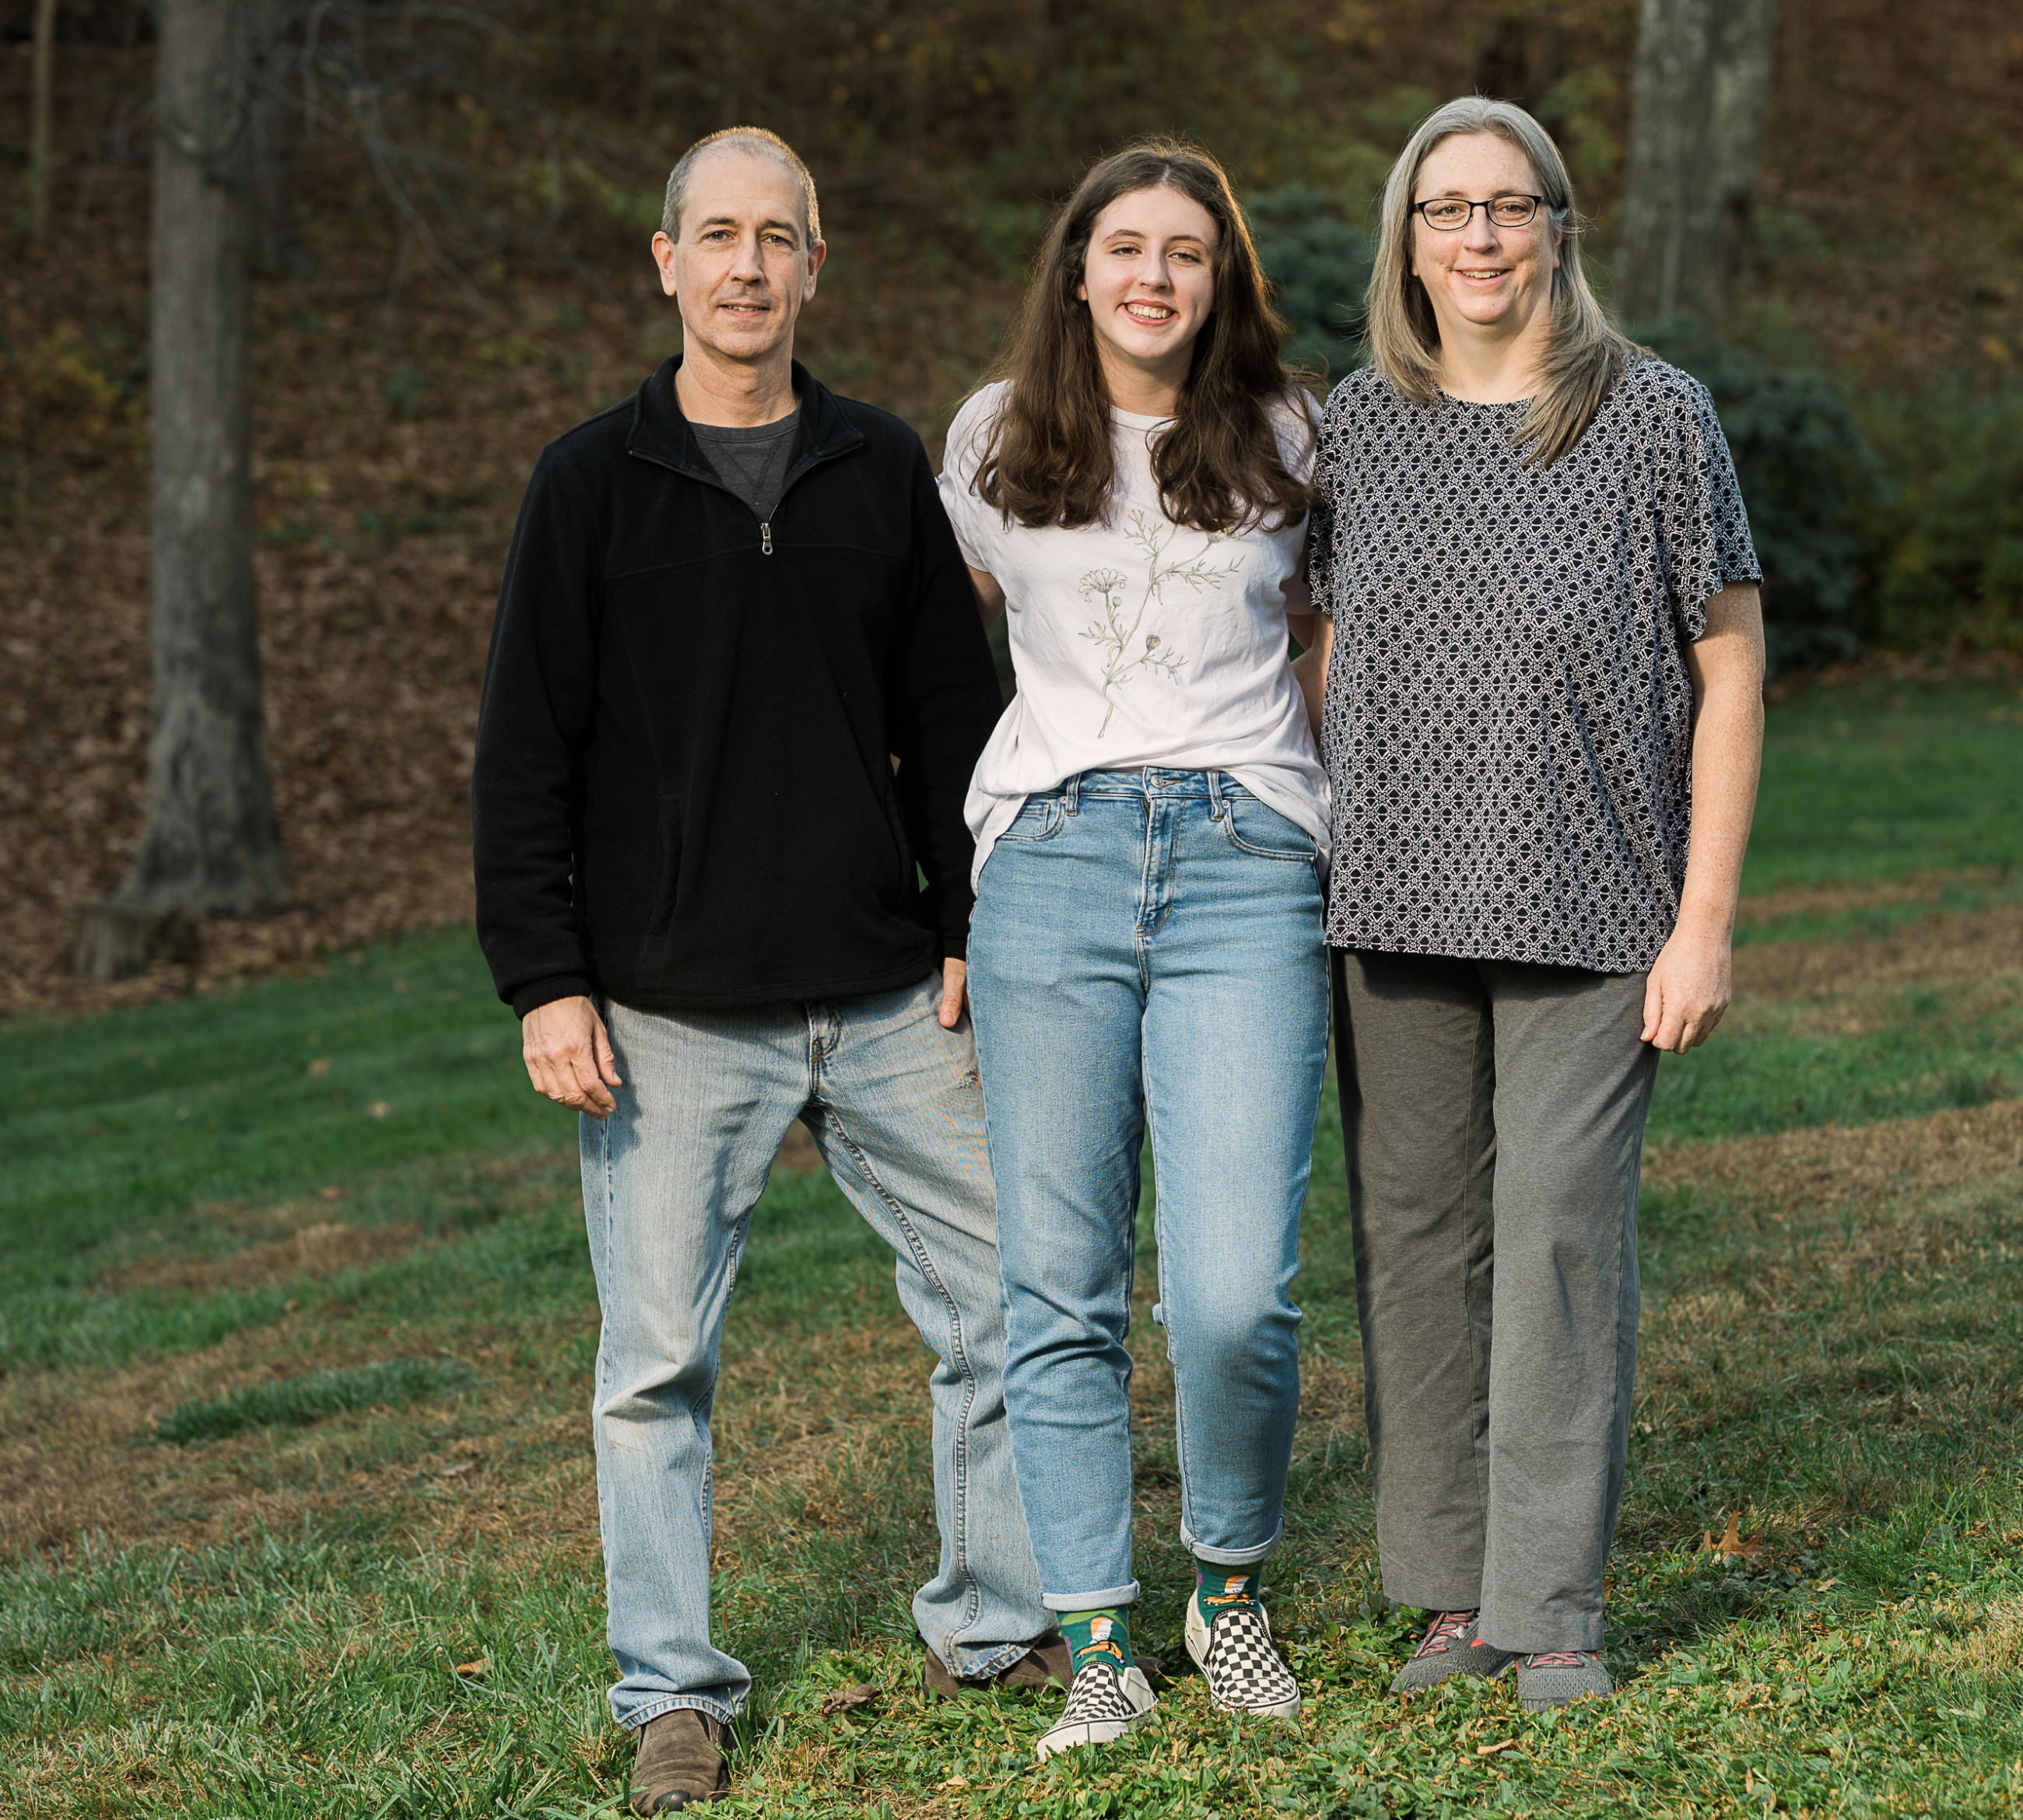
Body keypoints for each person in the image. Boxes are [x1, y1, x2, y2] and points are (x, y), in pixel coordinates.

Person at [471, 125, 1060, 1815]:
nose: (744, 266)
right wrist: (546, 979)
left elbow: (960, 726)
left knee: (1016, 1297)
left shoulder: (879, 470)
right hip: (664, 1015)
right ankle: (673, 1692)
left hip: (887, 995)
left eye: (776, 238)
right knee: (652, 1365)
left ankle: (997, 1617)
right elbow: (526, 754)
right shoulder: (589, 485)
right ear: (664, 261)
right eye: (714, 236)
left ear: (817, 266)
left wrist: (968, 930)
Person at [1307, 96, 1765, 1713]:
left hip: (1596, 902)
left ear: (1561, 231)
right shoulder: (1356, 426)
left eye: (1512, 208)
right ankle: (1450, 1596)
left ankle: (1549, 1604)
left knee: (1559, 1234)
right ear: (1407, 239)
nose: (1481, 238)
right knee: (1419, 1244)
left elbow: (1729, 666)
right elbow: (1323, 652)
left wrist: (1702, 915)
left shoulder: (1650, 417)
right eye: (1448, 210)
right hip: (1393, 903)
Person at [938, 140, 1330, 1759]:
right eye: (1127, 249)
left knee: (1234, 1287)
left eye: (1188, 251)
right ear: (1078, 267)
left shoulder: (1292, 437)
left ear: (1219, 276)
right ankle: (1100, 1634)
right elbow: (970, 638)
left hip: (1248, 868)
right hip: (1053, 867)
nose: (1156, 277)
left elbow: (1324, 641)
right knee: (1060, 1277)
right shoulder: (991, 436)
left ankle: (1225, 1596)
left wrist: (1278, 789)